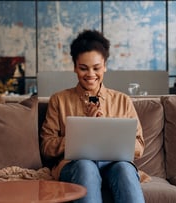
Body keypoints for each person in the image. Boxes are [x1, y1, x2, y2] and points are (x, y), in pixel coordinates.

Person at [41, 29, 145, 203]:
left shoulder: (122, 100)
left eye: (96, 68)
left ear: (105, 65)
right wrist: (80, 135)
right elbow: (47, 147)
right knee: (86, 166)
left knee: (125, 169)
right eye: (83, 68)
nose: (90, 74)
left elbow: (139, 146)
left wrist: (106, 132)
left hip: (114, 165)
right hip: (75, 166)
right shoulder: (59, 100)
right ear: (75, 67)